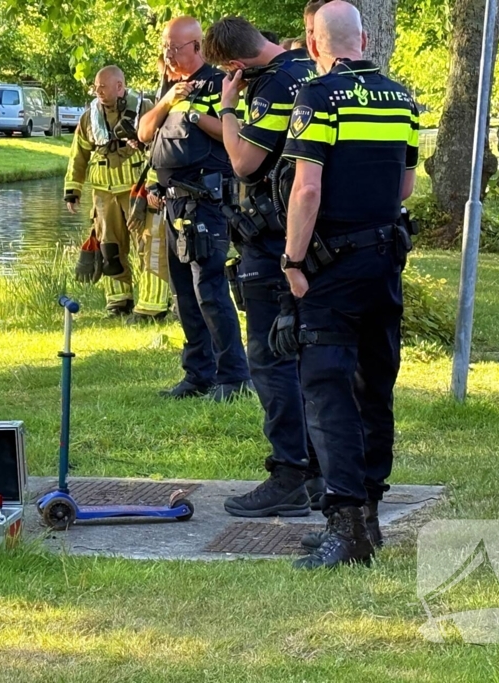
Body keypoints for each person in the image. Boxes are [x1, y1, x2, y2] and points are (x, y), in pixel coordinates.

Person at [277, 0, 420, 569]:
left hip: (332, 268)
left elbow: (306, 190)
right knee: (374, 386)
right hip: (384, 260)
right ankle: (371, 518)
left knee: (327, 388)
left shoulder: (317, 97)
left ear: (315, 43)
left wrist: (292, 261)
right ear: (362, 38)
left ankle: (344, 526)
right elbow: (405, 185)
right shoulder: (403, 96)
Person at [201, 16, 324, 517]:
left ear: (234, 65)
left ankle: (290, 474)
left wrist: (229, 110)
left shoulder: (272, 86)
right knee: (307, 359)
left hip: (272, 243)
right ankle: (318, 472)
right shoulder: (310, 68)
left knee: (271, 360)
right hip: (310, 240)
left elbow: (244, 161)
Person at [138, 16, 252, 402]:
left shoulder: (219, 84)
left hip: (206, 205)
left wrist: (193, 114)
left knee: (211, 292)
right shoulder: (170, 88)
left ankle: (234, 377)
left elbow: (234, 133)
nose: (169, 54)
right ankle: (198, 374)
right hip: (172, 205)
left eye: (176, 47)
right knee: (185, 295)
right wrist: (170, 100)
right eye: (166, 47)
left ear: (198, 47)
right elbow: (144, 133)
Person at [65, 66, 171, 321]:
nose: (98, 91)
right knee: (109, 248)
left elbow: (161, 148)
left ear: (120, 87)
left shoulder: (145, 109)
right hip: (103, 194)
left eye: (103, 86)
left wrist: (156, 186)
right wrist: (73, 189)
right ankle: (118, 301)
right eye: (96, 87)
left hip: (139, 191)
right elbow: (78, 154)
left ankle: (152, 306)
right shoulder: (89, 117)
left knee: (150, 245)